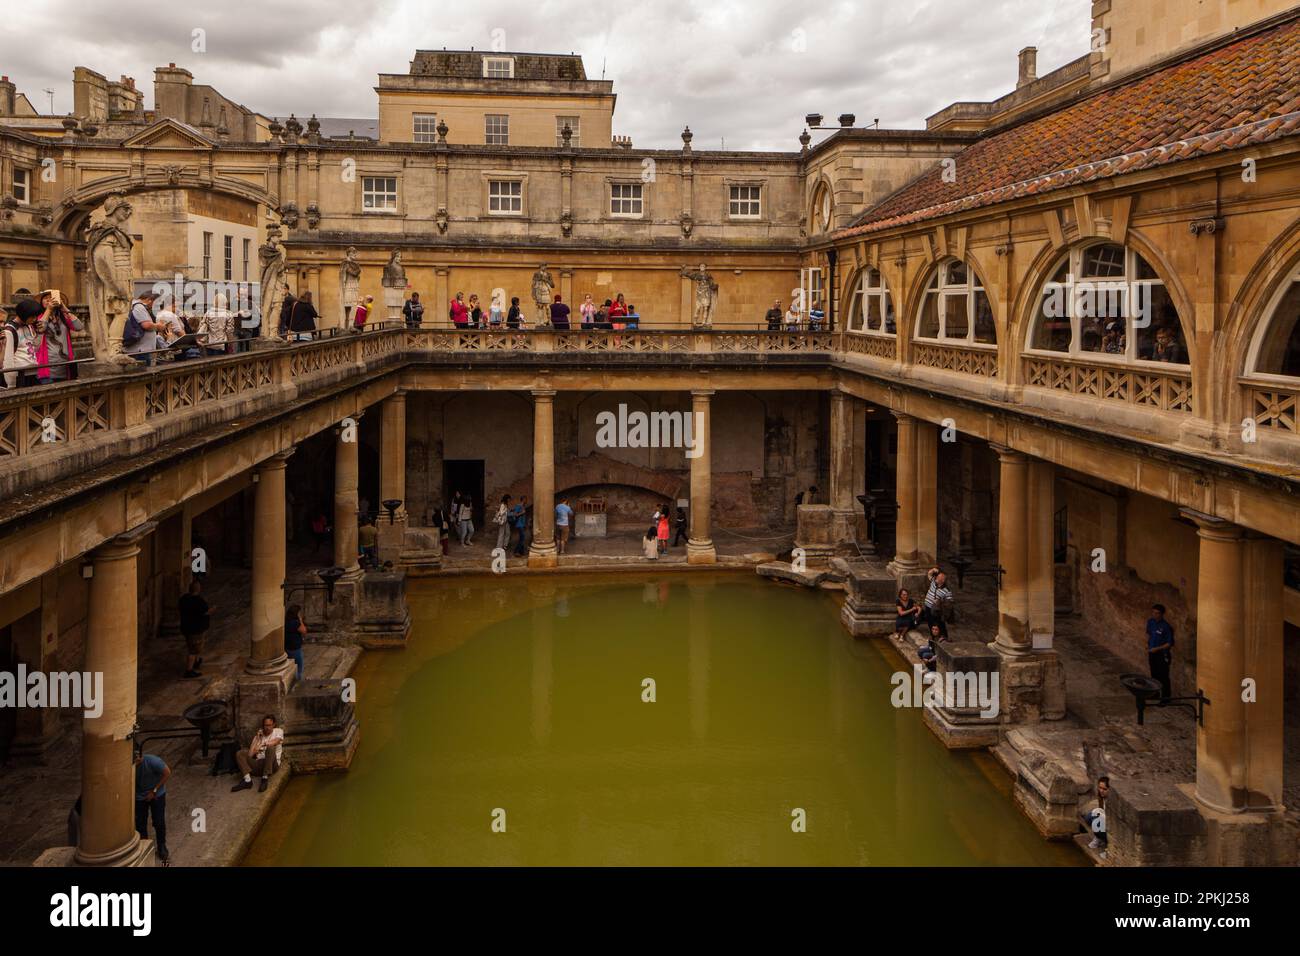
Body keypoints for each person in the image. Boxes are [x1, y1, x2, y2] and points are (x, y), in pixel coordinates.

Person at [134, 750, 171, 864]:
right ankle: (145, 846)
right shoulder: (129, 766)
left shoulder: (153, 761)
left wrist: (154, 791)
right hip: (139, 796)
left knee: (159, 821)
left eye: (136, 758)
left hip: (157, 794)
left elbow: (167, 773)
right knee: (140, 822)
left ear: (140, 756)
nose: (135, 761)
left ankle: (161, 845)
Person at [38, 290, 83, 380]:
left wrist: (64, 308)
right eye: (45, 298)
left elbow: (79, 326)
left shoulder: (63, 317)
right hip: (48, 366)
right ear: (41, 302)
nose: (48, 300)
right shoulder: (39, 317)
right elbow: (41, 328)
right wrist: (49, 310)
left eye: (51, 298)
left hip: (65, 366)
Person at [231, 714, 283, 793]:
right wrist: (257, 739)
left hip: (272, 765)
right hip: (258, 766)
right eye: (265, 725)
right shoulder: (258, 737)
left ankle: (265, 778)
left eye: (269, 725)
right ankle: (247, 780)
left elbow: (276, 741)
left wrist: (263, 744)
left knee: (270, 748)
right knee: (240, 753)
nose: (267, 727)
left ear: (274, 724)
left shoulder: (278, 731)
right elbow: (250, 755)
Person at [2, 300, 44, 388]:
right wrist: (11, 384)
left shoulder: (29, 326)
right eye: (32, 316)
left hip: (32, 372)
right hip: (19, 375)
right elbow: (8, 360)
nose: (35, 319)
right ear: (23, 314)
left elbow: (35, 348)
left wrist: (40, 333)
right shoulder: (10, 330)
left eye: (36, 316)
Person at [178, 578, 212, 678]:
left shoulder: (184, 599)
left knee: (194, 646)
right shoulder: (199, 601)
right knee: (193, 650)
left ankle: (196, 662)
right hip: (196, 629)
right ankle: (189, 670)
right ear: (198, 589)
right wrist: (212, 610)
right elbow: (204, 612)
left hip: (186, 627)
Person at [123, 290, 167, 362]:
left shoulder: (134, 306)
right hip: (140, 350)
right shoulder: (139, 306)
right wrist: (159, 326)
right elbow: (146, 325)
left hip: (139, 349)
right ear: (149, 300)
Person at [1146, 603, 1175, 703]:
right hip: (1152, 653)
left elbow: (1169, 643)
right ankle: (1155, 694)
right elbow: (1149, 634)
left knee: (1163, 677)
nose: (1154, 615)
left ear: (1162, 614)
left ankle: (1165, 699)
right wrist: (1149, 646)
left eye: (1157, 613)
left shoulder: (1166, 627)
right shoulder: (1150, 622)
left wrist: (1157, 648)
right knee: (1154, 674)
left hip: (1162, 654)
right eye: (1153, 612)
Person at [198, 291, 236, 356]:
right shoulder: (228, 314)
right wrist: (231, 344)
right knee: (222, 364)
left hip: (210, 344)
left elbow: (202, 326)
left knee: (211, 363)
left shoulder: (208, 313)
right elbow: (229, 331)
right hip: (222, 345)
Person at [922, 566, 954, 638]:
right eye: (937, 576)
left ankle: (944, 637)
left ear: (942, 580)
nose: (937, 577)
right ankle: (933, 636)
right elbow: (929, 574)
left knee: (939, 624)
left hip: (936, 610)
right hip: (928, 607)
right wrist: (933, 570)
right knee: (930, 623)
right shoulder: (933, 582)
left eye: (939, 577)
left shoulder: (946, 591)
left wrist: (939, 601)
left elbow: (949, 603)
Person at [1082, 776, 1110, 851]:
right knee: (1089, 817)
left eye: (1104, 789)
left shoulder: (1112, 801)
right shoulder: (1102, 798)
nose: (1101, 791)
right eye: (1100, 788)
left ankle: (1100, 839)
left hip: (1109, 829)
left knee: (1096, 821)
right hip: (1104, 823)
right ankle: (1099, 837)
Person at [284, 604, 307, 680]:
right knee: (299, 668)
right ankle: (298, 683)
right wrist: (300, 620)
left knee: (290, 667)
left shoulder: (286, 621)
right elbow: (304, 631)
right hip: (295, 648)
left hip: (287, 647)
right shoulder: (295, 623)